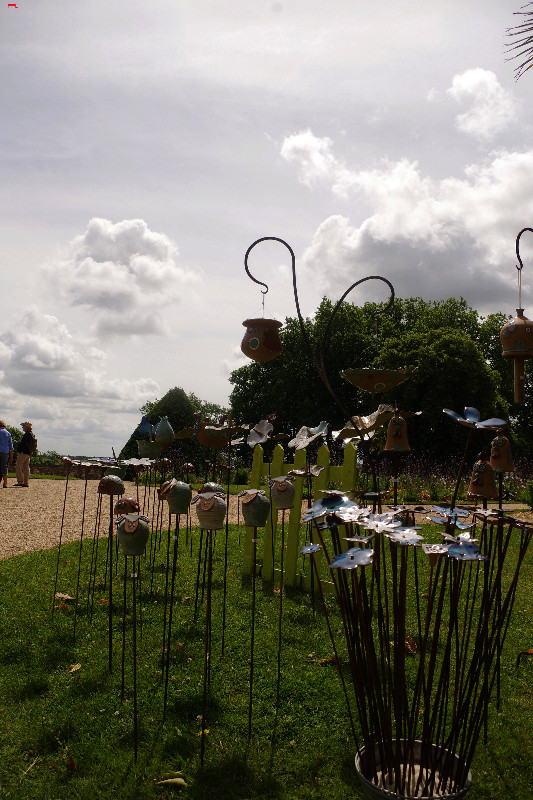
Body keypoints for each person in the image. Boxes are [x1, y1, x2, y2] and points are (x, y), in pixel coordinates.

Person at [14, 421, 35, 487]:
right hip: (28, 453)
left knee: (18, 466)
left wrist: (19, 450)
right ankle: (26, 482)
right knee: (26, 468)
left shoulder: (26, 434)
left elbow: (23, 444)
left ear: (27, 427)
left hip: (23, 453)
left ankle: (20, 481)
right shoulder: (31, 434)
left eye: (23, 426)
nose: (23, 427)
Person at [0, 421, 14, 488]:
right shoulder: (8, 433)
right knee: (4, 467)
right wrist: (11, 457)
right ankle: (5, 483)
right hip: (5, 452)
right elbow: (11, 447)